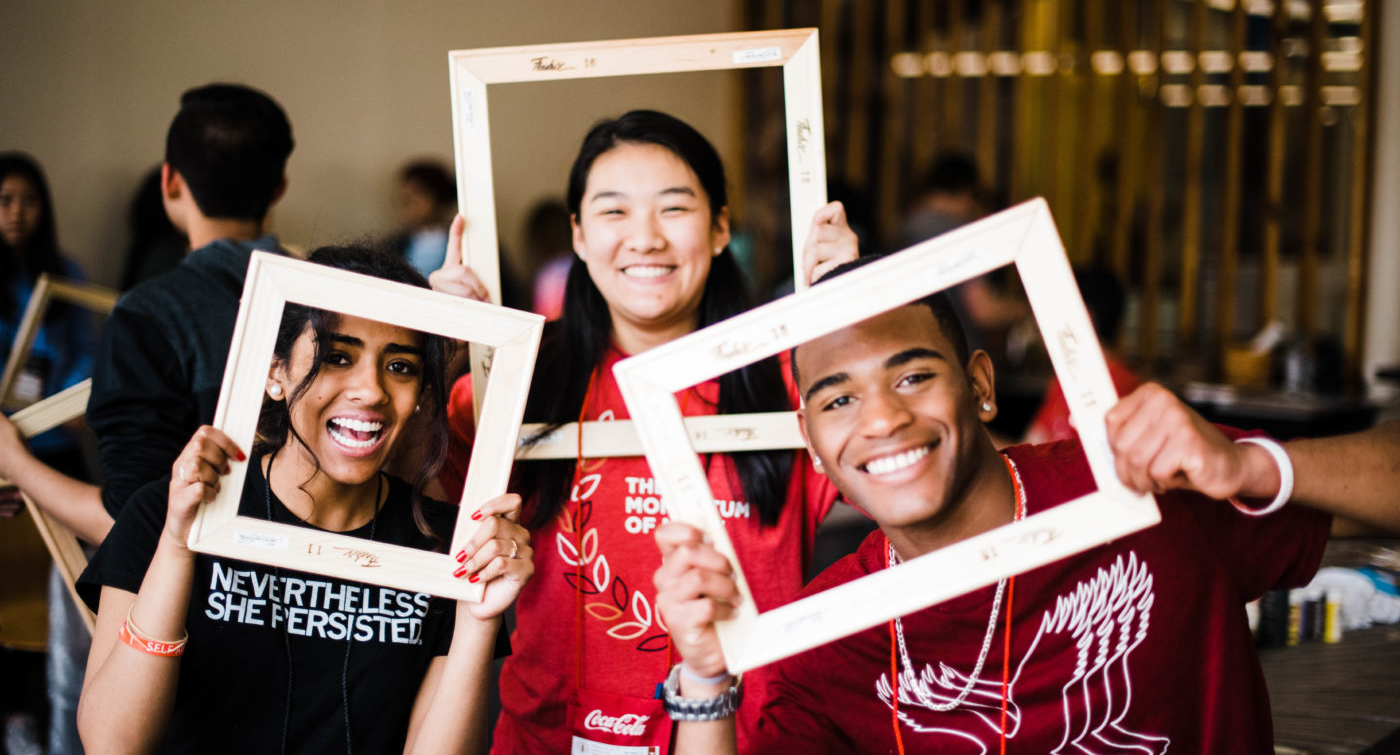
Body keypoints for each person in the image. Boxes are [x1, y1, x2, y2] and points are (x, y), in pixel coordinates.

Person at [653, 256, 1400, 754]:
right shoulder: (827, 639)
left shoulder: (1136, 492)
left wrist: (1248, 467)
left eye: (912, 376)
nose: (880, 419)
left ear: (979, 386)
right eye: (840, 399)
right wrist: (706, 680)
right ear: (814, 445)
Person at [429, 109, 857, 753]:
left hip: (754, 740)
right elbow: (387, 487)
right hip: (550, 739)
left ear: (719, 228)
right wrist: (436, 350)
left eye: (674, 208)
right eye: (613, 211)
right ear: (576, 235)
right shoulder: (518, 382)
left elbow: (928, 474)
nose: (646, 238)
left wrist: (857, 316)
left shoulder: (789, 379)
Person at [76, 245, 532, 753]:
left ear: (424, 391)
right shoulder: (166, 515)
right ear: (274, 373)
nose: (371, 391)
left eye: (400, 366)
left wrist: (476, 620)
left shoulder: (451, 548)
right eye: (337, 357)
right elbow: (112, 744)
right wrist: (181, 545)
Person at [0, 83, 297, 546]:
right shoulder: (336, 298)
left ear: (170, 182)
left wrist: (15, 463)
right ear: (279, 187)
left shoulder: (151, 315)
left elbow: (132, 525)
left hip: (203, 606)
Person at [0, 151, 96, 755]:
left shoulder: (66, 273)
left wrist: (68, 403)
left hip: (58, 455)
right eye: (4, 200)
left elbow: (86, 359)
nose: (16, 213)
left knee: (63, 608)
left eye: (28, 200)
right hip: (1, 463)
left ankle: (50, 722)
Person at [1023, 266, 1142, 444]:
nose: (1040, 325)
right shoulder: (1066, 382)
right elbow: (1027, 452)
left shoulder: (1117, 388)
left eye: (1052, 311)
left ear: (1084, 317)